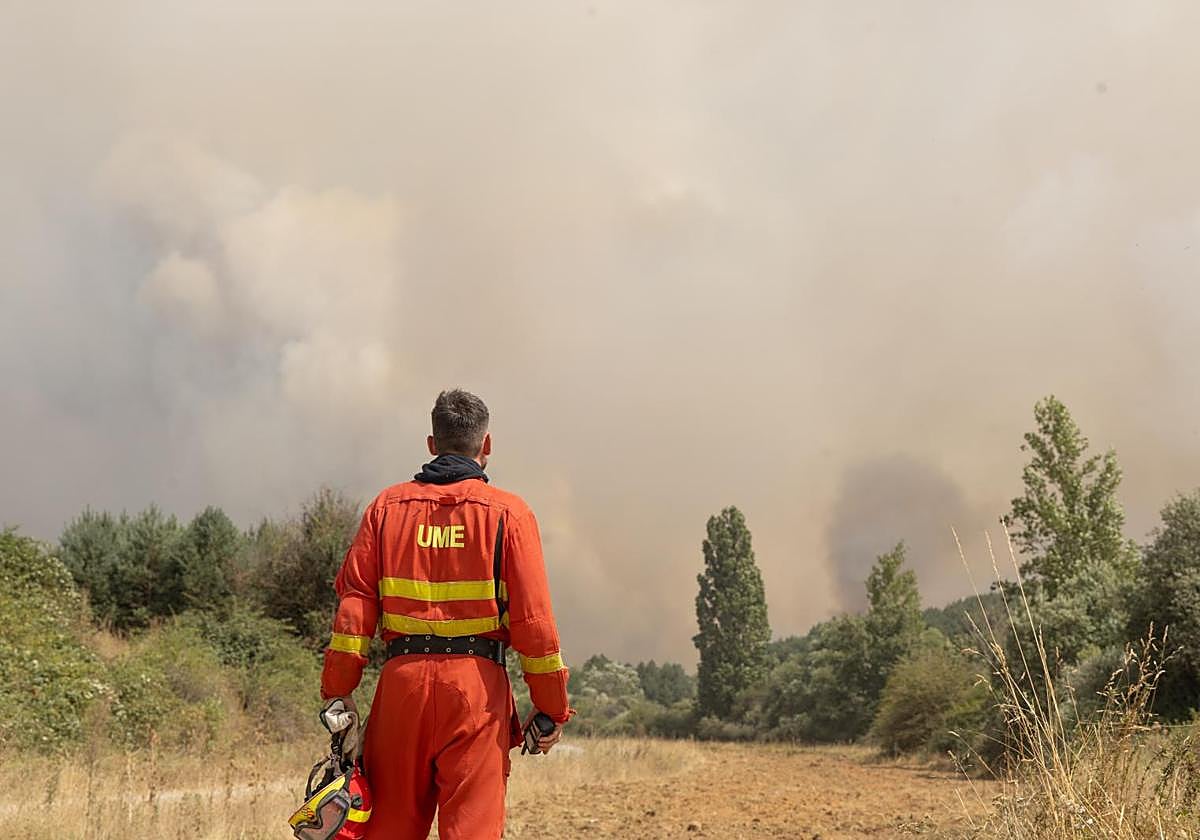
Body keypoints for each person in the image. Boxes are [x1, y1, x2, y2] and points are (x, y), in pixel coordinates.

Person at [320, 389, 571, 839]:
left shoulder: (384, 509)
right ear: (486, 446)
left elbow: (354, 610)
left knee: (388, 831)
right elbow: (535, 626)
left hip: (401, 691)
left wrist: (339, 692)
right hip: (477, 696)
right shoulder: (509, 514)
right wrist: (551, 709)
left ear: (431, 444)